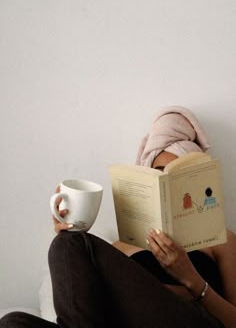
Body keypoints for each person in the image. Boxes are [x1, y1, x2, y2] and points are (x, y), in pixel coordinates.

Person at [1, 106, 236, 328]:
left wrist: (191, 279)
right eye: (158, 172)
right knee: (13, 322)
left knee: (75, 243)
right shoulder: (124, 245)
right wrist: (69, 227)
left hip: (188, 321)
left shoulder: (221, 239)